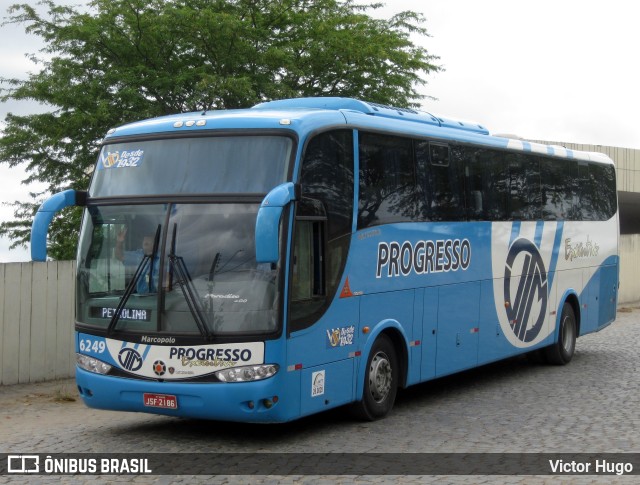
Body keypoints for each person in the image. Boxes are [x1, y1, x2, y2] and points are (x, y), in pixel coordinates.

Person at [115, 228, 159, 293]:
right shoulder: (138, 255)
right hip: (141, 298)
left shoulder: (161, 257)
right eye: (144, 239)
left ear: (156, 243)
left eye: (149, 239)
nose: (145, 240)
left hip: (159, 298)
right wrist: (119, 242)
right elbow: (119, 256)